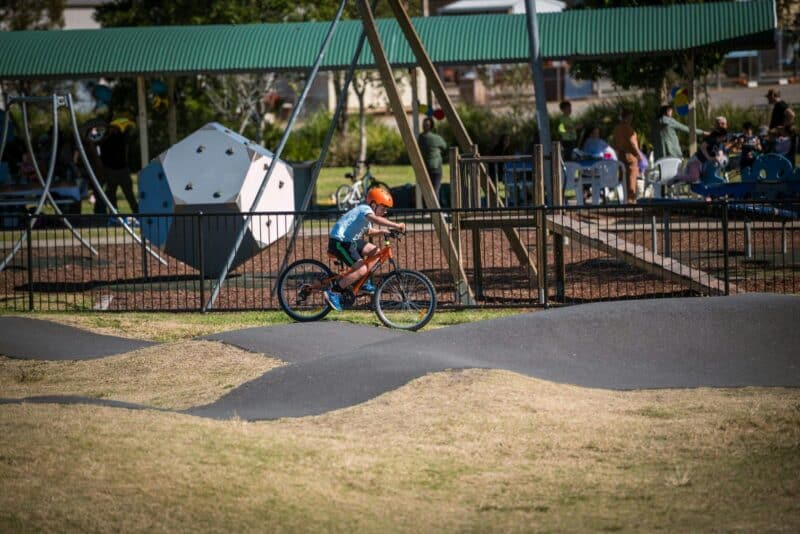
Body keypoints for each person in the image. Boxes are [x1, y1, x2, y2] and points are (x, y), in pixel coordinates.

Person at [324, 186, 406, 312]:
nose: (385, 212)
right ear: (373, 204)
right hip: (339, 241)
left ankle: (360, 282)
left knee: (376, 252)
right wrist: (395, 225)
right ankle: (334, 292)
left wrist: (385, 231)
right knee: (362, 268)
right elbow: (376, 219)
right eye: (383, 208)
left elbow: (369, 231)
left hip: (351, 241)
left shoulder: (367, 216)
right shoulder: (365, 209)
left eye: (386, 209)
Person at [99, 117, 138, 213]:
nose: (114, 129)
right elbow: (103, 154)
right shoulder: (106, 139)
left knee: (129, 195)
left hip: (122, 170)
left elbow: (130, 137)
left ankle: (137, 213)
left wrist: (128, 128)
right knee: (111, 194)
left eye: (115, 128)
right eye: (113, 128)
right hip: (111, 171)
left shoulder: (122, 137)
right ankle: (114, 214)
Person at [611, 109, 646, 203]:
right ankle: (631, 201)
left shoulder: (616, 129)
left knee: (623, 179)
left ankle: (624, 200)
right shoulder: (628, 129)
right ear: (626, 118)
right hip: (630, 155)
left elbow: (614, 143)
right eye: (630, 117)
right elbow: (632, 143)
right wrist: (639, 155)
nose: (631, 119)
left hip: (621, 155)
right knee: (631, 179)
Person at [417, 117, 447, 204]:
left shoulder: (421, 138)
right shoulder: (436, 138)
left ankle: (427, 209)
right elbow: (444, 146)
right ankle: (435, 209)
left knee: (426, 189)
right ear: (432, 126)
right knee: (436, 188)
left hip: (425, 167)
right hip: (436, 166)